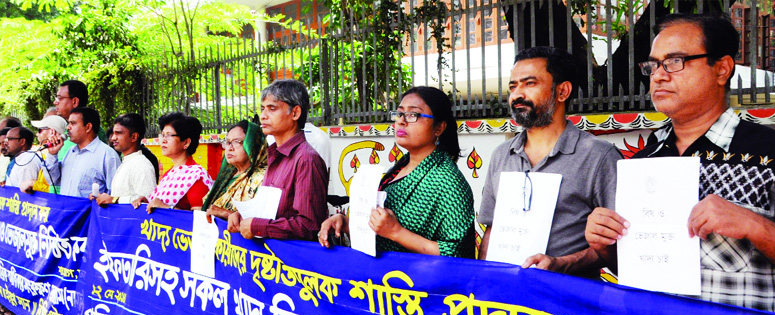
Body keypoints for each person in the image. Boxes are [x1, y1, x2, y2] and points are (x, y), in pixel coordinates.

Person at [585, 13, 775, 313]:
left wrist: (754, 226)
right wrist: (605, 243)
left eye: (675, 62)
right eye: (654, 65)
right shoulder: (645, 161)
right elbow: (637, 268)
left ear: (722, 69)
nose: (659, 75)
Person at [477, 47, 621, 277]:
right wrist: (484, 282)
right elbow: (492, 230)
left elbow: (617, 243)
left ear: (562, 91)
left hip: (567, 303)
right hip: (507, 304)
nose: (517, 95)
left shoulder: (599, 156)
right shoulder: (501, 155)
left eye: (529, 83)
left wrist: (562, 264)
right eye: (513, 86)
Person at [318, 86, 475, 257]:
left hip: (411, 280)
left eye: (413, 115)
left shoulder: (448, 182)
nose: (401, 121)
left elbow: (457, 254)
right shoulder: (400, 168)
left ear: (439, 127)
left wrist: (396, 232)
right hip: (378, 279)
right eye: (399, 113)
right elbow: (382, 227)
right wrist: (346, 223)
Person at [228, 80, 328, 241]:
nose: (263, 116)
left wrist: (257, 226)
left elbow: (309, 225)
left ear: (295, 113)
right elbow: (273, 211)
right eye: (262, 109)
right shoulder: (275, 155)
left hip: (293, 262)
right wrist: (242, 216)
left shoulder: (306, 159)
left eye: (272, 109)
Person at [133, 112, 213, 212]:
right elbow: (158, 204)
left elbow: (201, 219)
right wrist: (147, 202)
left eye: (169, 135)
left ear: (186, 142)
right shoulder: (171, 173)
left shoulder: (196, 176)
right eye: (162, 135)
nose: (163, 140)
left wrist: (166, 208)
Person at [42, 107, 121, 198]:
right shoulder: (71, 152)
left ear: (88, 127)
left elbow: (115, 194)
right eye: (68, 123)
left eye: (73, 123)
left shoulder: (107, 155)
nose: (68, 127)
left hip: (89, 212)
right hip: (66, 210)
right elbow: (53, 180)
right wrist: (52, 154)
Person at [202, 119, 268, 219]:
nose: (229, 148)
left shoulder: (263, 178)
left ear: (253, 145)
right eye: (228, 142)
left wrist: (228, 214)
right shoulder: (226, 177)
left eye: (237, 142)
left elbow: (263, 220)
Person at [95, 113, 158, 206]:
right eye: (113, 133)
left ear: (134, 137)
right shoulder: (127, 162)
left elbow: (147, 202)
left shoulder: (142, 165)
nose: (113, 138)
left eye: (118, 133)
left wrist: (114, 200)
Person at [29, 112, 67, 193]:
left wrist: (33, 184)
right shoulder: (50, 152)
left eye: (40, 130)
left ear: (52, 132)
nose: (37, 134)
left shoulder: (63, 153)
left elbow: (55, 186)